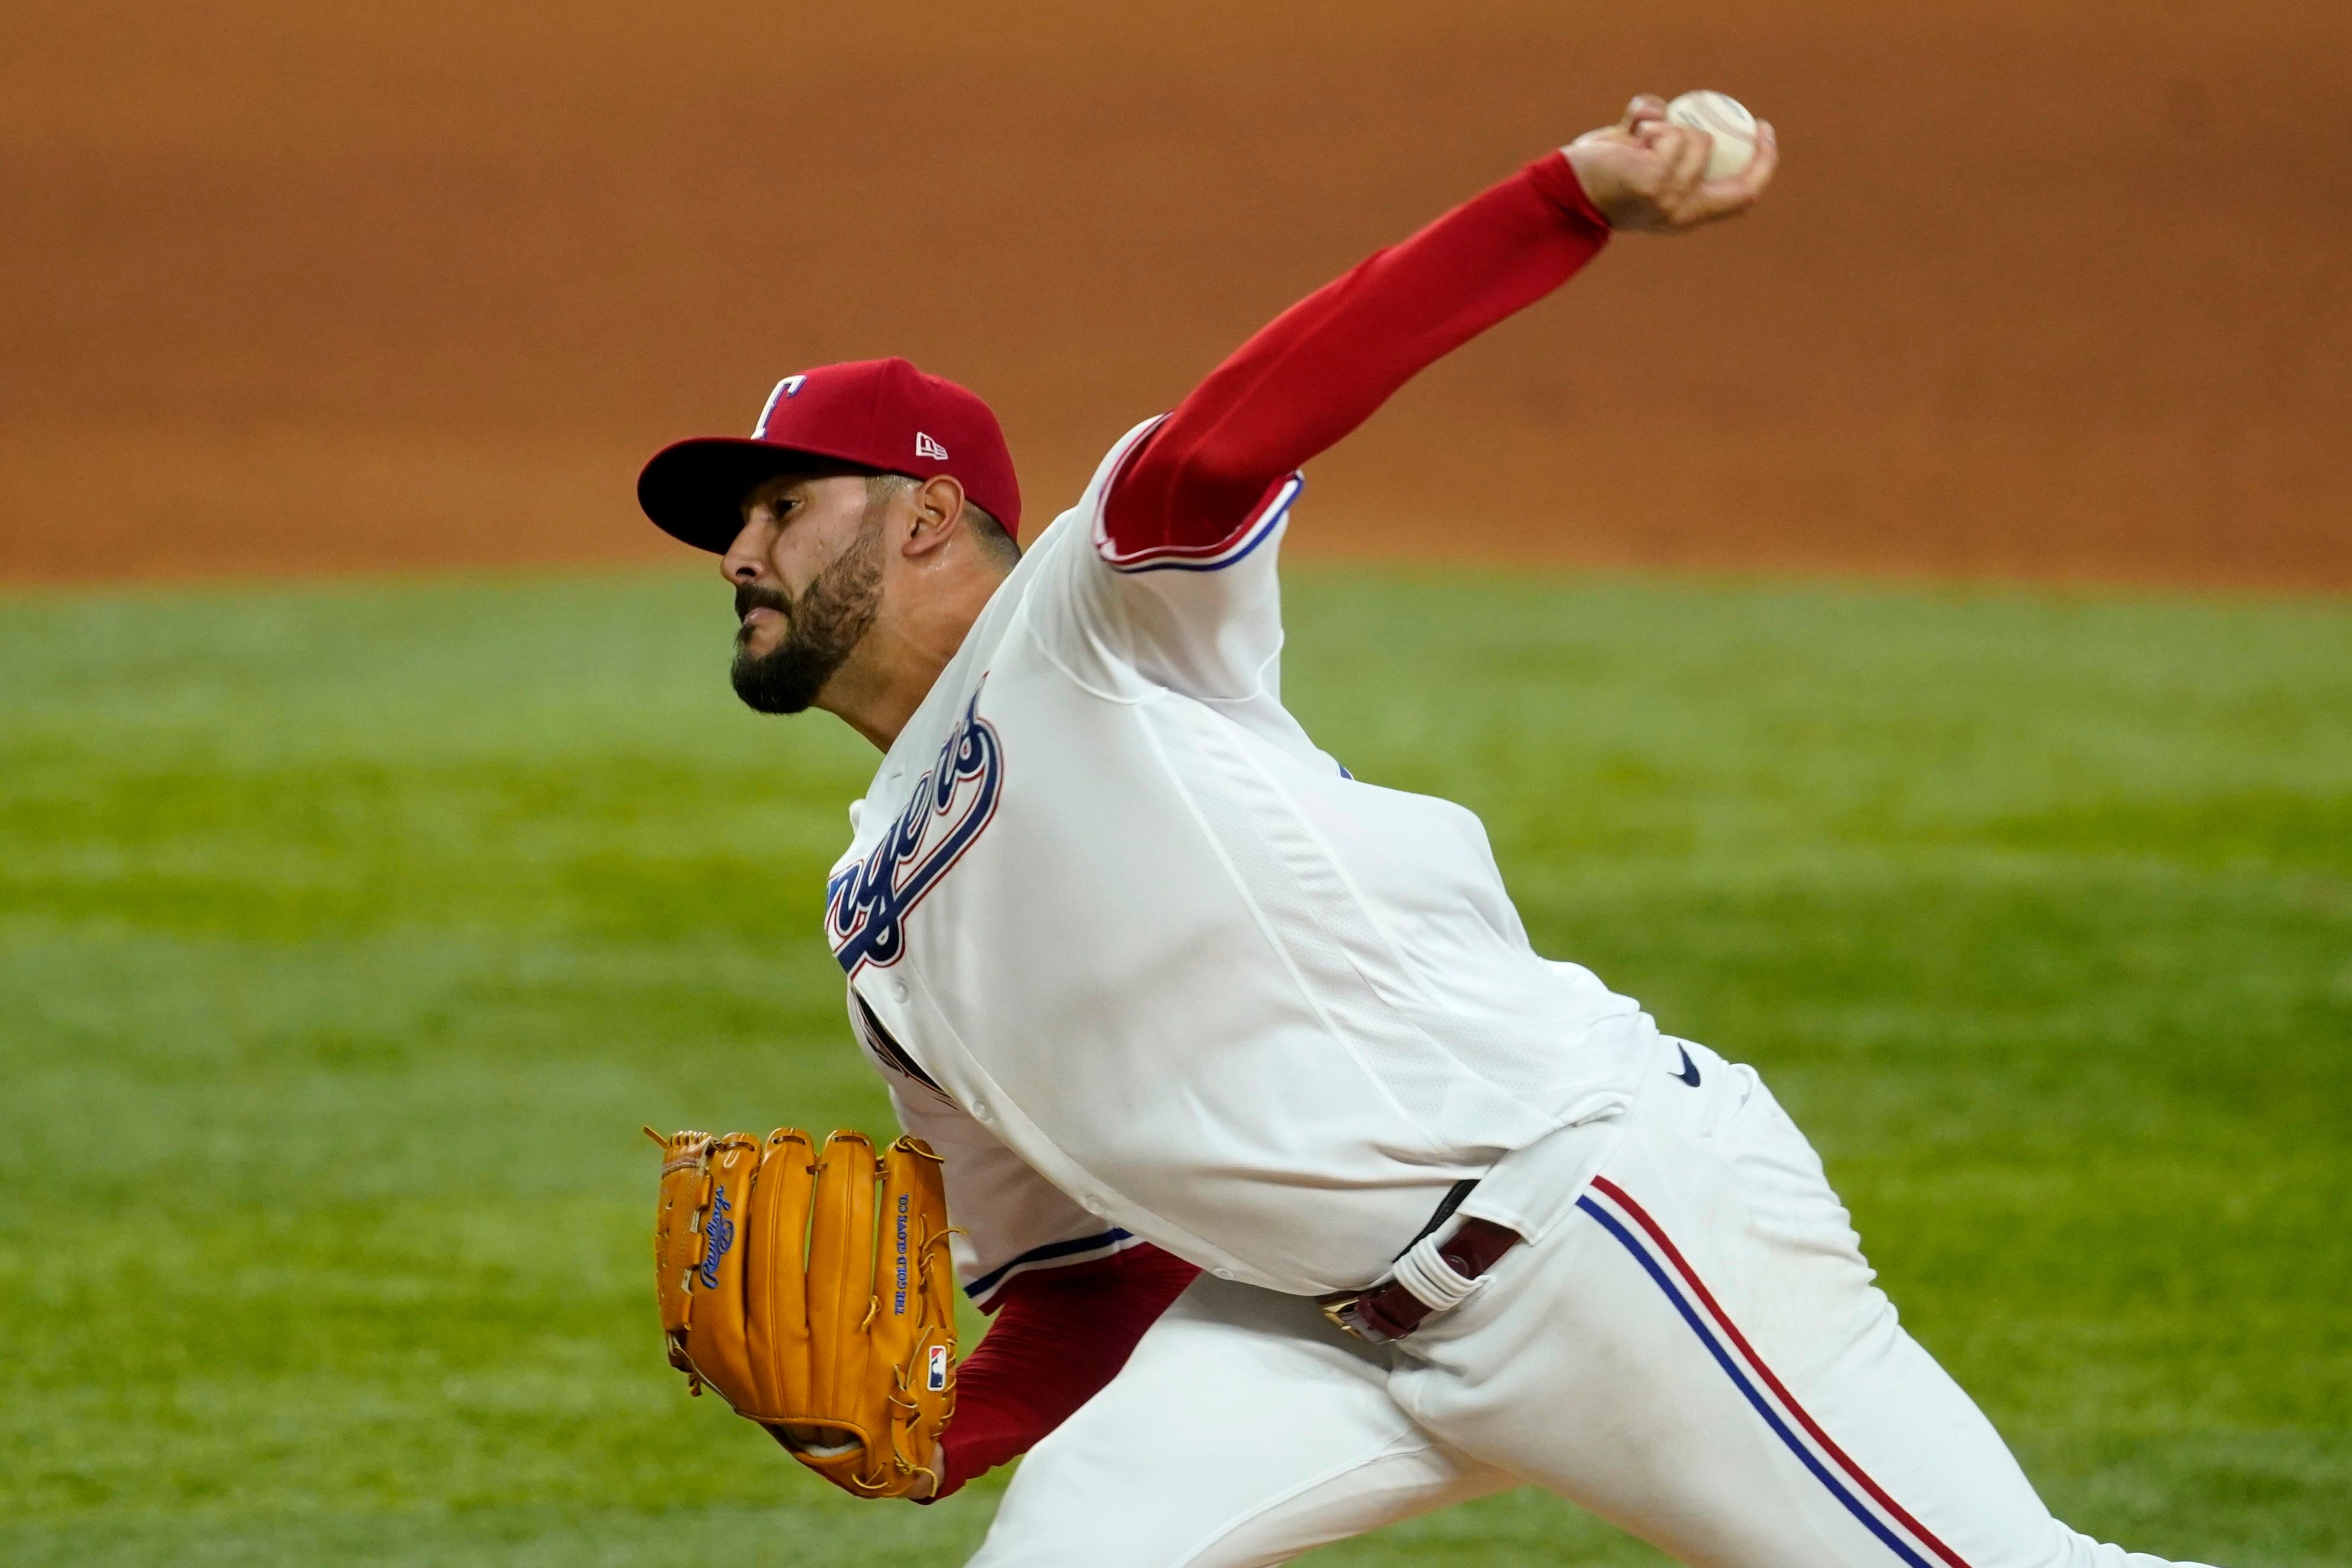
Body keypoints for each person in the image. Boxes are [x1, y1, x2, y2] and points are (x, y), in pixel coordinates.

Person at [635, 96, 2213, 1567]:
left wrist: (1567, 199)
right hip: (1309, 1332)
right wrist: (942, 1434)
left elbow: (1232, 437)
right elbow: (1087, 1276)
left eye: (781, 507)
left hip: (1594, 1228)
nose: (738, 554)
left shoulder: (1083, 617)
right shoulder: (873, 926)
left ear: (922, 513)